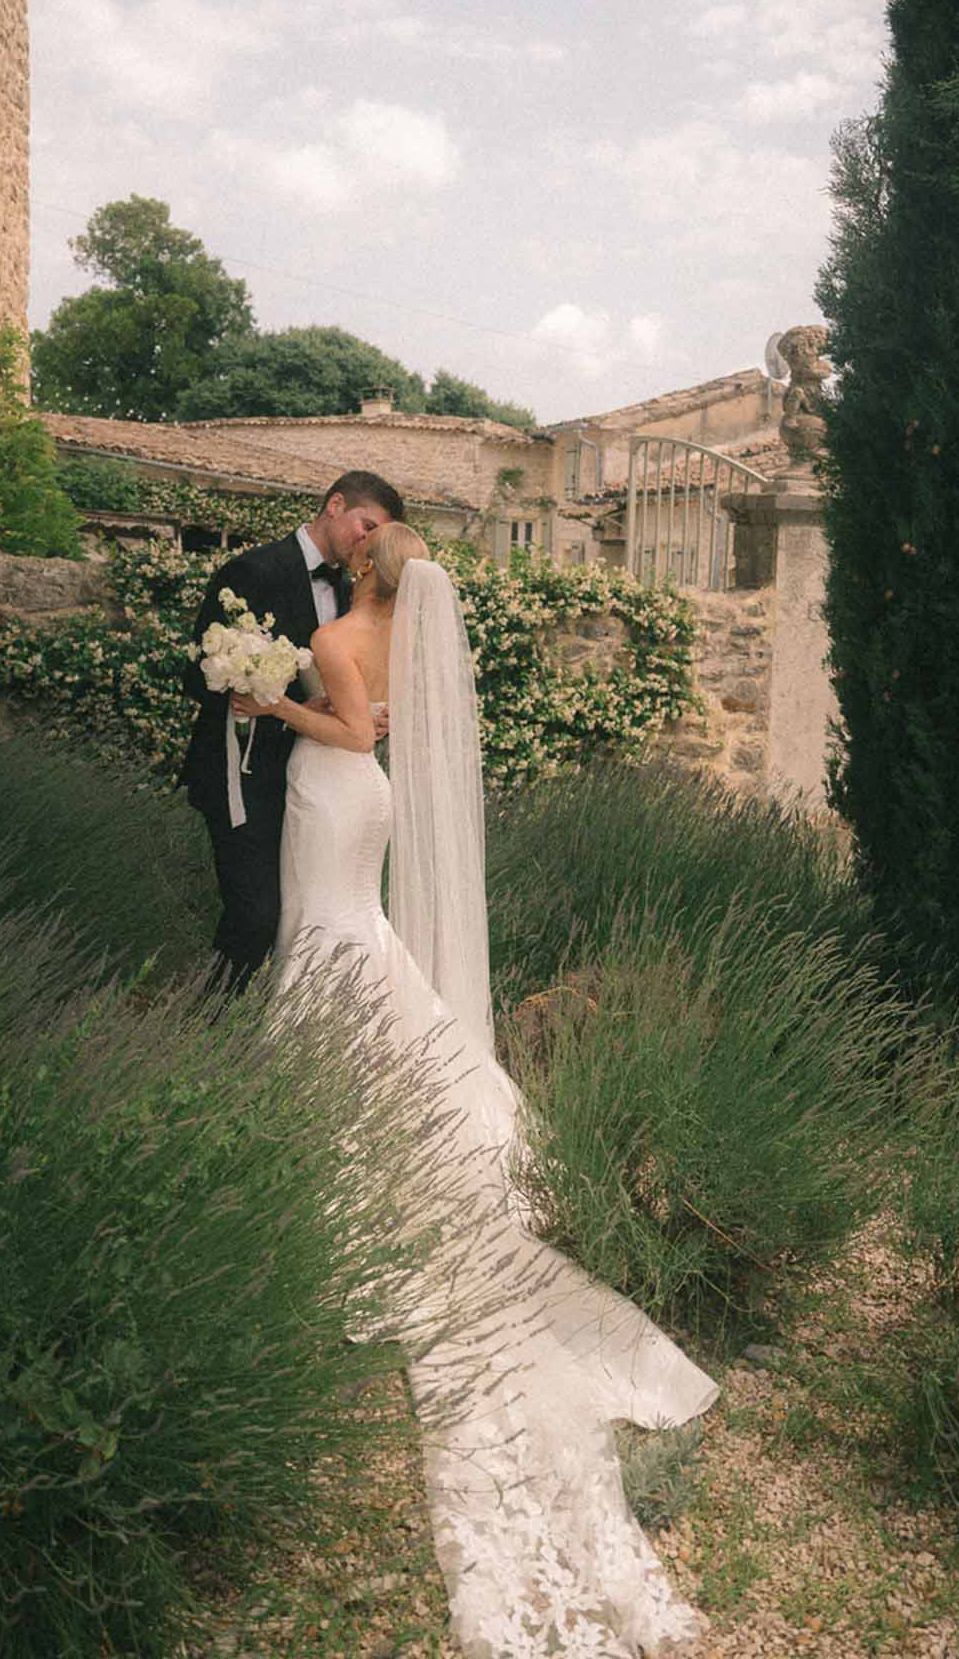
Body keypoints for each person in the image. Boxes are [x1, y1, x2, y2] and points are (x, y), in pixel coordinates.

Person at [233, 522, 719, 1659]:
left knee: (333, 939)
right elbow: (384, 723)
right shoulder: (401, 629)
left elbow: (350, 724)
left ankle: (334, 1142)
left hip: (334, 784)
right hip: (367, 798)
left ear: (363, 567)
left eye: (359, 539)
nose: (349, 542)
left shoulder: (339, 631)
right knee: (356, 939)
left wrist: (272, 708)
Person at [181, 470, 403, 994]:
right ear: (334, 504)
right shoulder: (252, 569)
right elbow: (196, 675)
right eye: (364, 525)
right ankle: (205, 1029)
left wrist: (365, 714)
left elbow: (337, 690)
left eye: (375, 536)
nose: (365, 542)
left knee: (302, 914)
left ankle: (278, 1026)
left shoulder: (353, 593)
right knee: (255, 913)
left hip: (316, 784)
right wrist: (254, 695)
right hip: (243, 772)